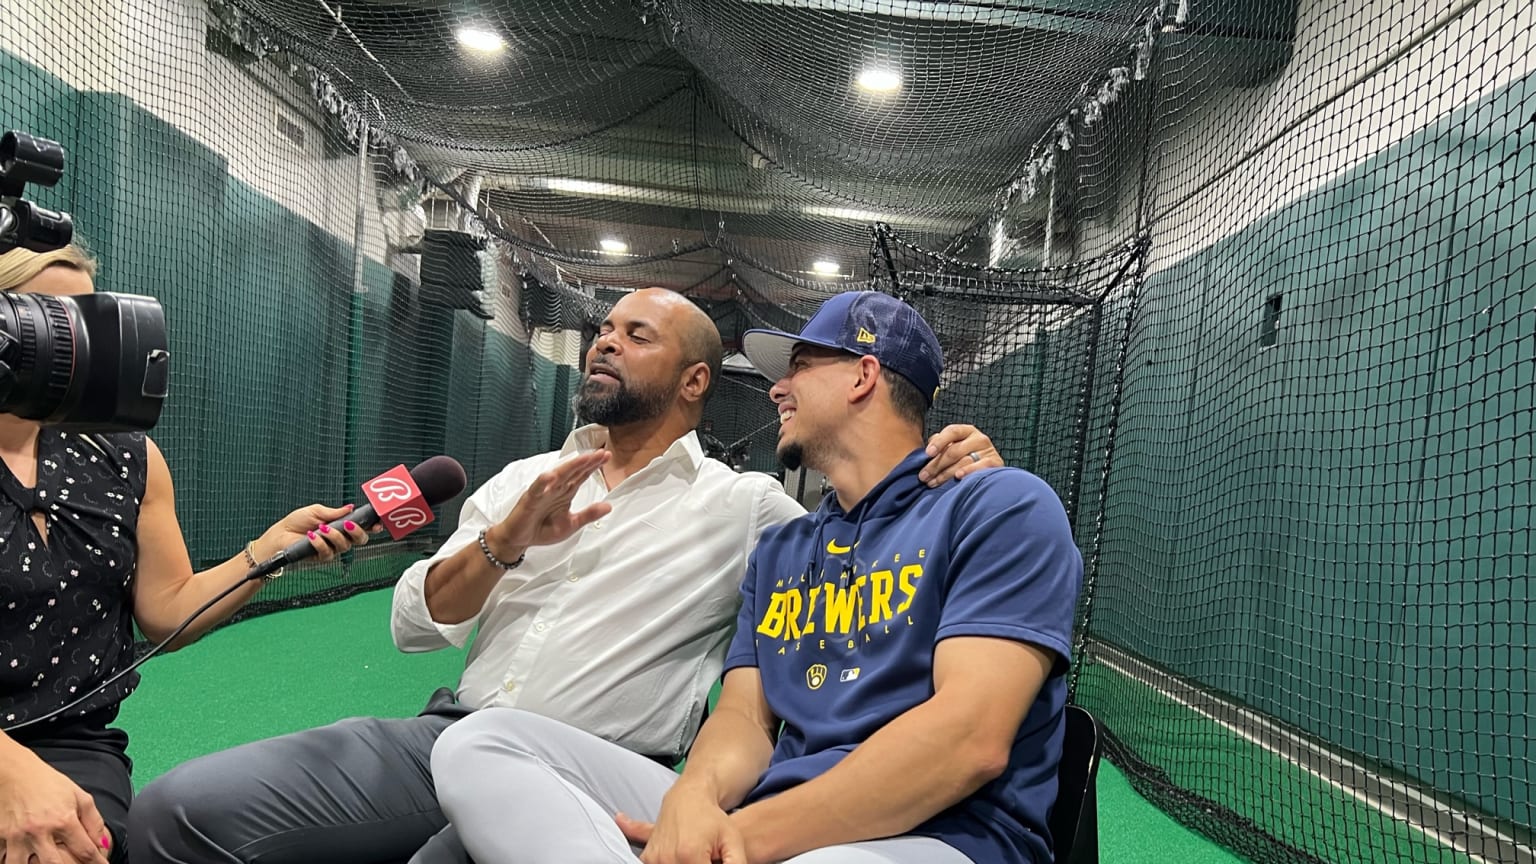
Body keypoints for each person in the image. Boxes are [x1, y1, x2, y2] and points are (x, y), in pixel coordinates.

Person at [130, 287, 1004, 864]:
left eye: (636, 335)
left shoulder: (749, 513)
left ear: (695, 379)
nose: (604, 344)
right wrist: (504, 543)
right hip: (452, 733)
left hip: (602, 768)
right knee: (177, 812)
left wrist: (961, 470)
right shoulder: (522, 479)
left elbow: (872, 536)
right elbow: (414, 621)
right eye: (603, 331)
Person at [426, 290, 1083, 864]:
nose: (776, 389)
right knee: (481, 743)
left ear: (863, 375)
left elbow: (968, 741)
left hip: (939, 837)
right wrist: (695, 795)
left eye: (798, 367)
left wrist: (743, 838)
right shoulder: (784, 547)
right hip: (764, 820)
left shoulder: (1000, 506)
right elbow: (744, 717)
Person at [0, 244, 371, 864]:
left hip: (74, 741)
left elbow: (167, 613)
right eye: (39, 319)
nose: (63, 345)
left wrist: (265, 554)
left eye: (79, 324)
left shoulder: (123, 453)